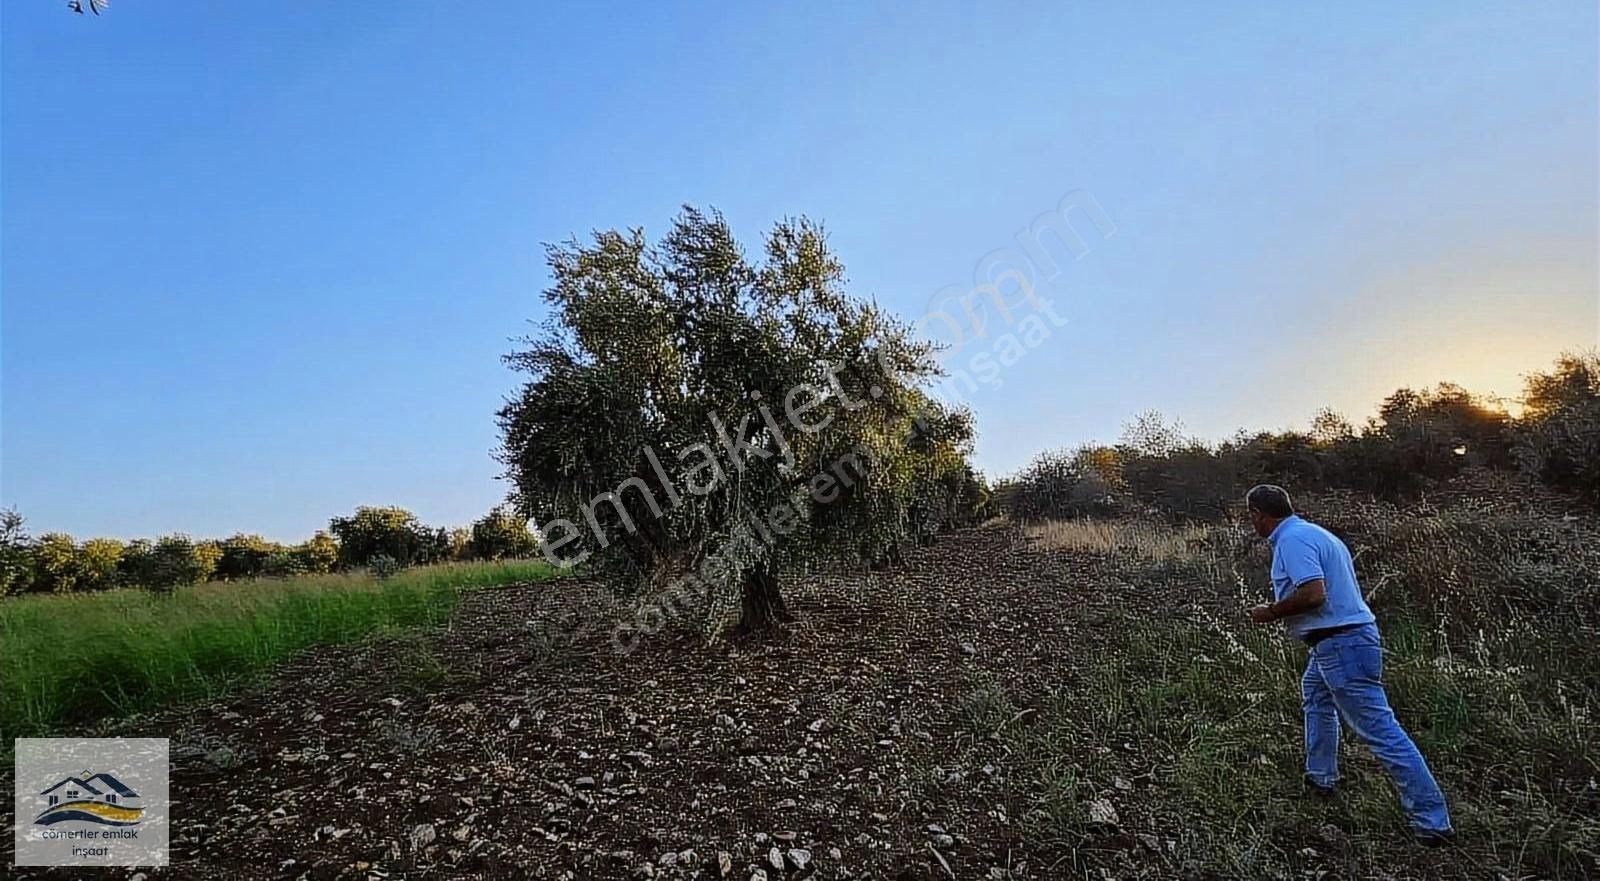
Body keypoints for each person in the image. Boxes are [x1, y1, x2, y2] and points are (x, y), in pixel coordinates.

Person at [1242, 484, 1454, 845]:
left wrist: (1271, 612)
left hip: (1341, 644)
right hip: (1340, 643)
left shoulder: (1292, 540)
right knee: (1316, 697)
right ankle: (1321, 777)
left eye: (1251, 516)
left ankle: (1433, 823)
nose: (1252, 523)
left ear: (1258, 514)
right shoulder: (1315, 533)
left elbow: (1314, 593)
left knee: (1381, 731)